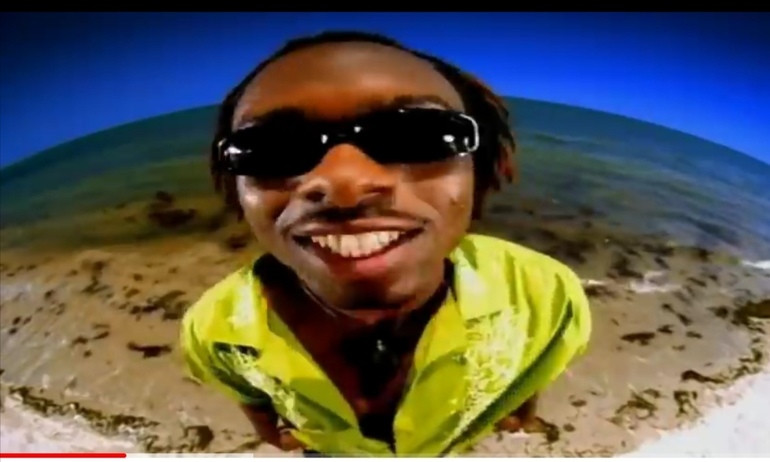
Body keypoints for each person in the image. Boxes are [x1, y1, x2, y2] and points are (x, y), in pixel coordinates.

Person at [180, 30, 591, 457]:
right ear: (238, 192)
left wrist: (519, 404)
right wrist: (270, 430)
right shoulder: (215, 332)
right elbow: (250, 395)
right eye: (270, 149)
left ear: (481, 169)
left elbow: (535, 365)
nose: (344, 185)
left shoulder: (543, 296)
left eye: (417, 135)